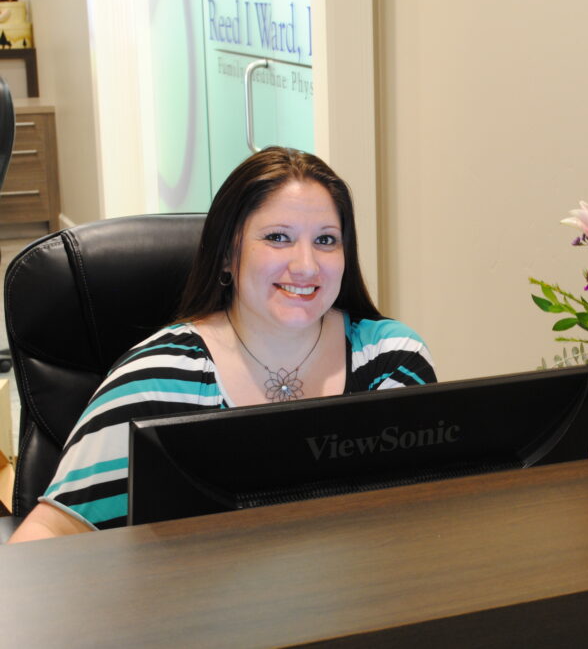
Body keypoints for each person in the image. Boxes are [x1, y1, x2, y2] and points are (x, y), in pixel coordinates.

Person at [9, 147, 435, 542]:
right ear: (229, 254)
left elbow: (422, 519)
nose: (306, 265)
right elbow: (51, 535)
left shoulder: (391, 360)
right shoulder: (158, 381)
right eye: (278, 237)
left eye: (326, 240)